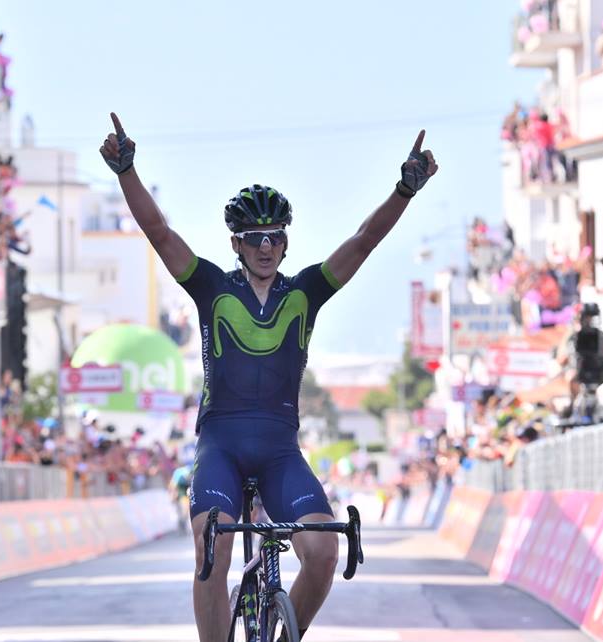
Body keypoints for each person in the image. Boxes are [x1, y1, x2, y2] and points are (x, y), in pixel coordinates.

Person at [100, 111, 437, 642]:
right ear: (236, 243)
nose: (265, 246)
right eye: (254, 237)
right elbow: (159, 233)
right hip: (221, 446)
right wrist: (126, 172)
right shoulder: (212, 287)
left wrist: (404, 190)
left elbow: (365, 239)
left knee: (325, 552)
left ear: (285, 242)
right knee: (212, 551)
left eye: (274, 237)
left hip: (281, 449)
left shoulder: (305, 291)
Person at [557, 303, 603, 419]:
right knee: (570, 377)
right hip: (581, 372)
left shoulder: (600, 335)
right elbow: (562, 359)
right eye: (586, 318)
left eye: (590, 318)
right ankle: (571, 405)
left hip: (600, 371)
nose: (588, 321)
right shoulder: (573, 336)